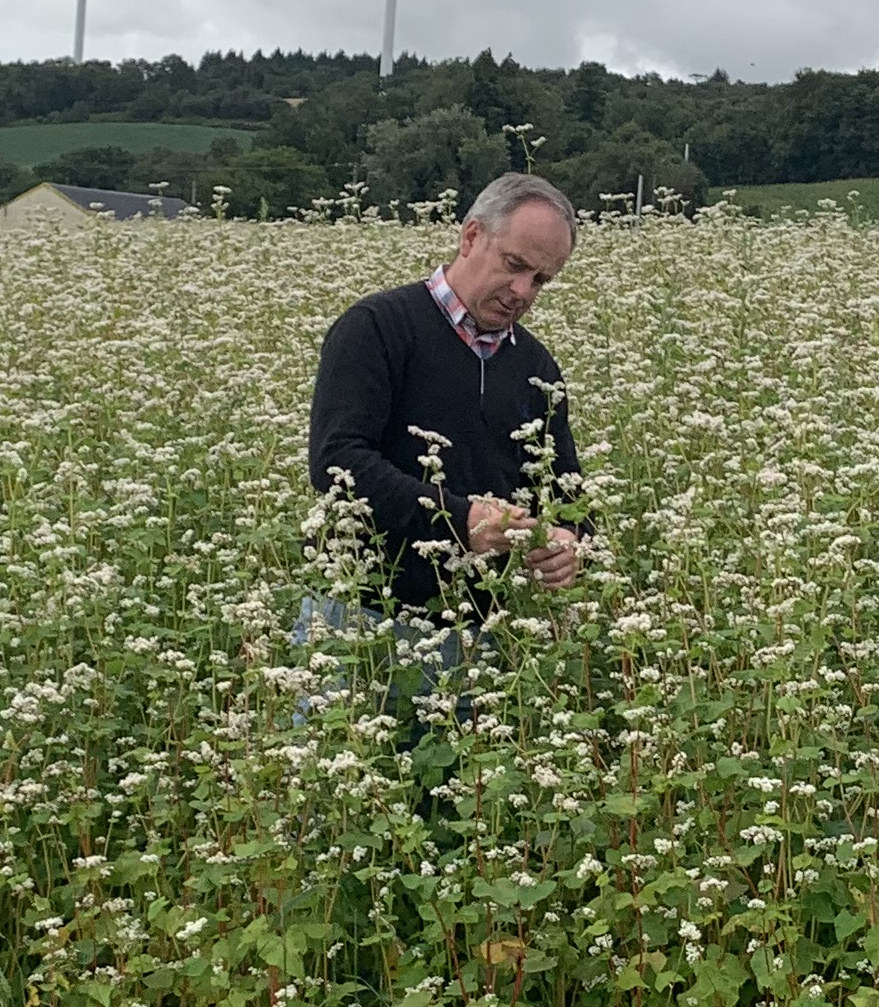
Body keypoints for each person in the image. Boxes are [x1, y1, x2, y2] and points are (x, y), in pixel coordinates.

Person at [305, 173, 586, 648]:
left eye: (540, 279)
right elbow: (337, 462)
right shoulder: (377, 328)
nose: (522, 291)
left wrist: (569, 542)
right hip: (358, 620)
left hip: (483, 630)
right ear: (471, 236)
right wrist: (460, 521)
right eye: (514, 265)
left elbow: (565, 484)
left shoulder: (535, 366)